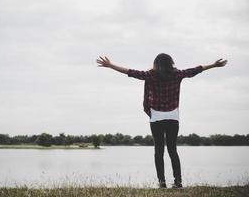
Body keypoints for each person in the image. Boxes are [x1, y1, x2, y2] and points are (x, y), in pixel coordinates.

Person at [96, 53, 227, 188]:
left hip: (156, 117)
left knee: (159, 151)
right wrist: (214, 65)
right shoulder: (177, 74)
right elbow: (196, 70)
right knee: (172, 150)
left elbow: (130, 72)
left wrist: (111, 65)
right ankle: (178, 182)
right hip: (173, 116)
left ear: (156, 64)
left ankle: (162, 183)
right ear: (171, 63)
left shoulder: (151, 75)